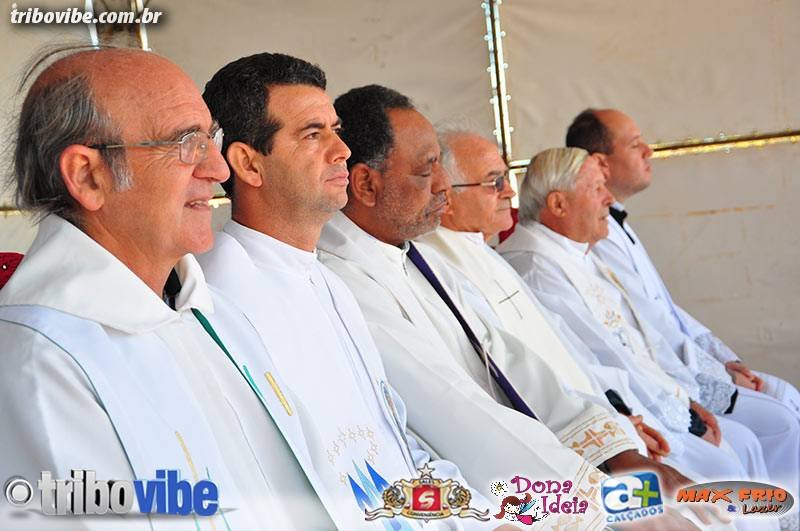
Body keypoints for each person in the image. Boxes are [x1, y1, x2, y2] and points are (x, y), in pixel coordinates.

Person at [316, 85, 695, 531]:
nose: (443, 186)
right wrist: (603, 498)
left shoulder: (416, 256)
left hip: (536, 469)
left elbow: (505, 356)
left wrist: (616, 452)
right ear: (366, 184)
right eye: (426, 170)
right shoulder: (344, 281)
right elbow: (457, 412)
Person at [0, 46, 322, 530]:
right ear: (89, 176)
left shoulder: (210, 312)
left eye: (211, 138)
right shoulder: (37, 365)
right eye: (186, 143)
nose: (219, 170)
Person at [198, 52, 500, 530]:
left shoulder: (330, 285)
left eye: (335, 130)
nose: (342, 150)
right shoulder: (214, 304)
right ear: (249, 164)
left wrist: (480, 518)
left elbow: (390, 445)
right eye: (312, 134)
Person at [420, 129, 757, 484]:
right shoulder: (456, 265)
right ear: (446, 195)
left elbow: (576, 347)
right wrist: (614, 430)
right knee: (714, 478)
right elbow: (517, 371)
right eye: (495, 182)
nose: (509, 192)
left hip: (611, 413)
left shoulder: (483, 253)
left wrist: (624, 414)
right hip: (564, 448)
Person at [496, 148, 776, 496]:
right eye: (597, 188)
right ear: (558, 204)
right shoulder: (536, 266)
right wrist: (680, 413)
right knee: (728, 468)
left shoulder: (578, 254)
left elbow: (643, 336)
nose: (609, 199)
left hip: (654, 399)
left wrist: (685, 398)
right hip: (631, 415)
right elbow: (604, 358)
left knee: (746, 447)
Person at [566, 109, 800, 507]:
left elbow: (667, 310)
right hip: (669, 375)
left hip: (679, 368)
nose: (649, 151)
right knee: (774, 426)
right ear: (601, 163)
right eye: (635, 144)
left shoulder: (616, 224)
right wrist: (713, 377)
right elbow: (648, 327)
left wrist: (724, 357)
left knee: (784, 403)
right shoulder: (595, 234)